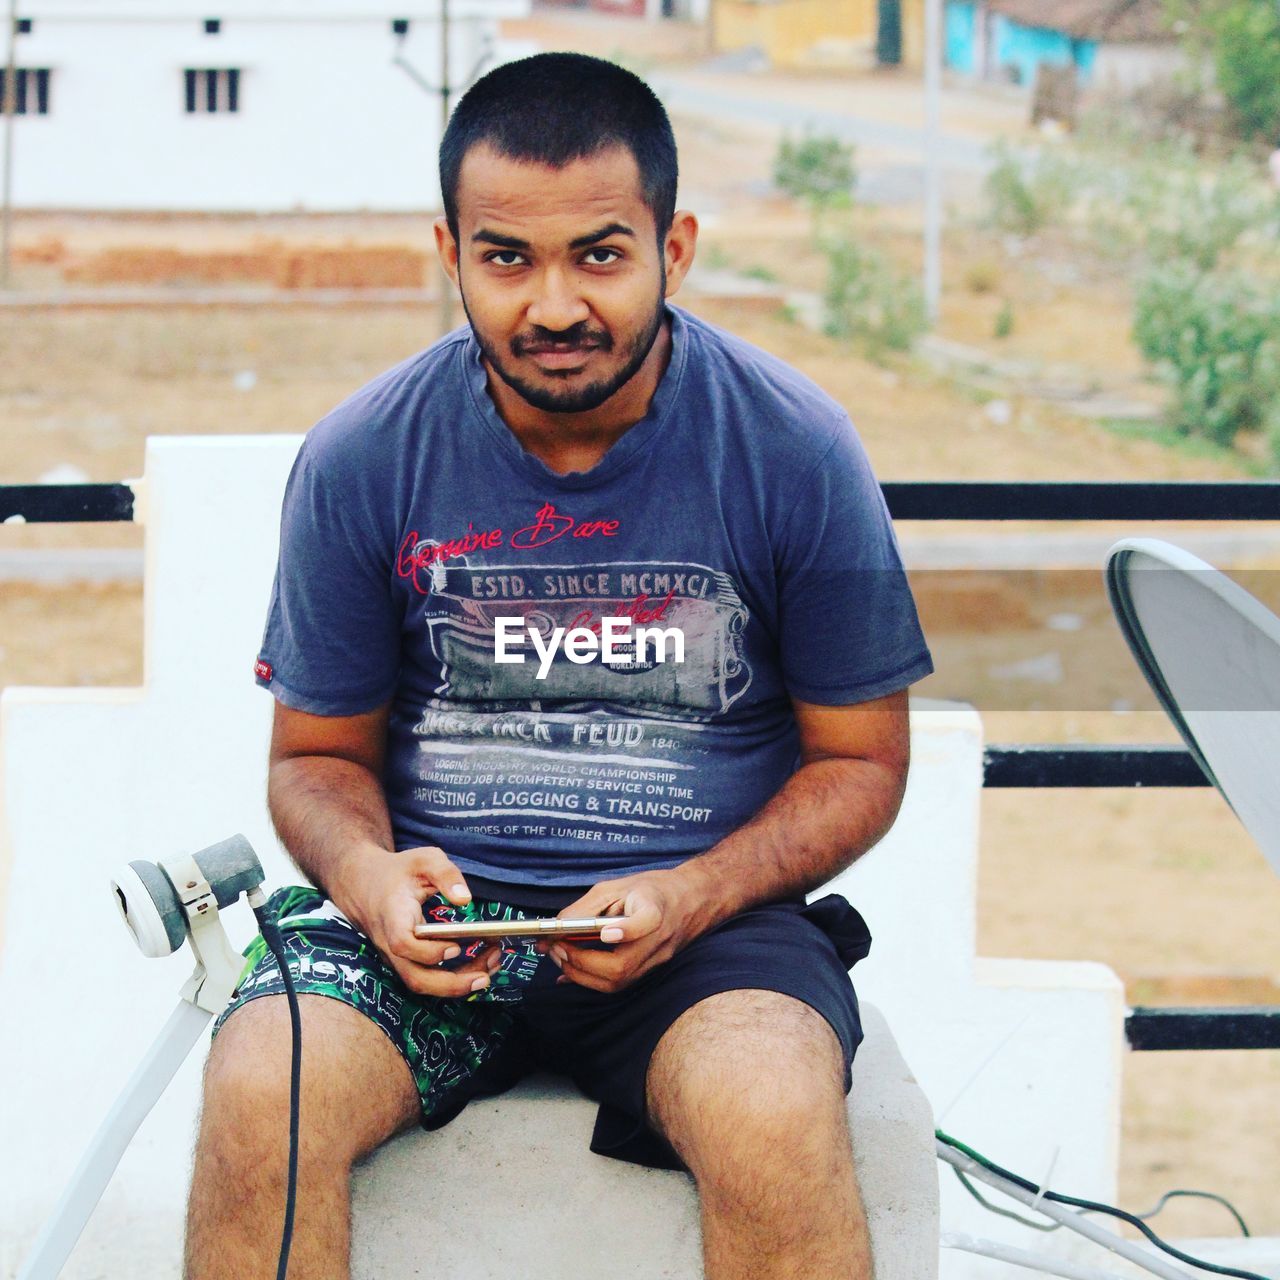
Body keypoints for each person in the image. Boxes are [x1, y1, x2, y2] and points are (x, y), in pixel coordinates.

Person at [183, 51, 932, 1280]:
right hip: (427, 937)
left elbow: (861, 760)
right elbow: (315, 757)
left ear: (672, 245)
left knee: (769, 1104)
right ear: (450, 250)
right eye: (506, 257)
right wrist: (370, 877)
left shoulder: (793, 447)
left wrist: (689, 892)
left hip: (706, 939)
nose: (552, 304)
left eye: (598, 252)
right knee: (267, 1078)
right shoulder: (363, 456)